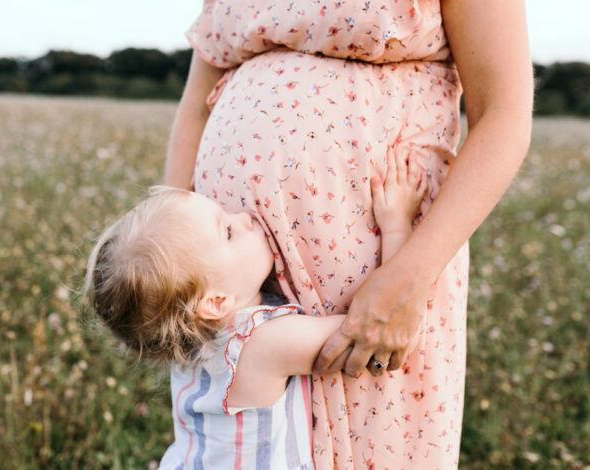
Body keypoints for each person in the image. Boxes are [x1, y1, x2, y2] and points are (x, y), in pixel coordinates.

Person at [164, 1, 533, 467]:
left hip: (384, 271)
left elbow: (503, 111)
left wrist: (409, 274)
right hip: (223, 279)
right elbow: (198, 104)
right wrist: (169, 260)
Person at [84, 153, 427, 468]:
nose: (246, 218)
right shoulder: (263, 344)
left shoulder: (188, 338)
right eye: (229, 232)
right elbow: (373, 330)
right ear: (216, 302)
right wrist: (396, 225)